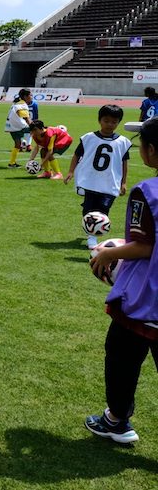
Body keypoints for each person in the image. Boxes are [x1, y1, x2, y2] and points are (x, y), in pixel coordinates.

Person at [85, 117, 158, 445]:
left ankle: (116, 420)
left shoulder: (147, 192)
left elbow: (144, 246)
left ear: (151, 151)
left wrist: (108, 254)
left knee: (121, 356)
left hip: (146, 300)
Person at [64, 105, 132, 249]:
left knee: (103, 209)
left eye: (114, 122)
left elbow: (124, 162)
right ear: (99, 120)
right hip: (91, 180)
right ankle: (91, 235)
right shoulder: (88, 138)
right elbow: (77, 155)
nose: (110, 125)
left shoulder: (122, 142)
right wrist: (70, 172)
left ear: (118, 122)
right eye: (106, 121)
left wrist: (124, 182)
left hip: (109, 182)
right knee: (88, 208)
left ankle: (93, 234)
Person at [4, 89, 32, 168]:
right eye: (30, 95)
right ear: (25, 96)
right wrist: (34, 127)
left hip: (11, 126)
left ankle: (12, 163)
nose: (31, 97)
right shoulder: (22, 105)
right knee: (40, 132)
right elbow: (27, 119)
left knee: (17, 145)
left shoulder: (16, 103)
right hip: (19, 126)